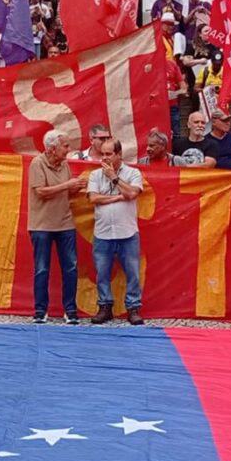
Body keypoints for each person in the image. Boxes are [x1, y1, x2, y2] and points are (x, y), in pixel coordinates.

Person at [27, 130, 87, 324]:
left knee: (71, 267)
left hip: (65, 222)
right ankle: (40, 310)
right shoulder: (37, 163)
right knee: (42, 269)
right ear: (52, 148)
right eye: (65, 146)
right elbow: (40, 192)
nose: (68, 150)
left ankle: (70, 310)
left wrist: (76, 188)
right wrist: (67, 185)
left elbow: (65, 192)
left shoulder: (65, 165)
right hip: (41, 224)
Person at [87, 140, 144, 326]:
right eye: (102, 154)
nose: (104, 158)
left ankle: (133, 308)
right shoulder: (95, 174)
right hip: (103, 232)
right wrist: (118, 197)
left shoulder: (133, 173)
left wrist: (114, 178)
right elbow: (93, 198)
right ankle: (105, 307)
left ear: (119, 154)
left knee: (133, 272)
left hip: (127, 232)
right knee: (102, 273)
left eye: (109, 154)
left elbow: (132, 194)